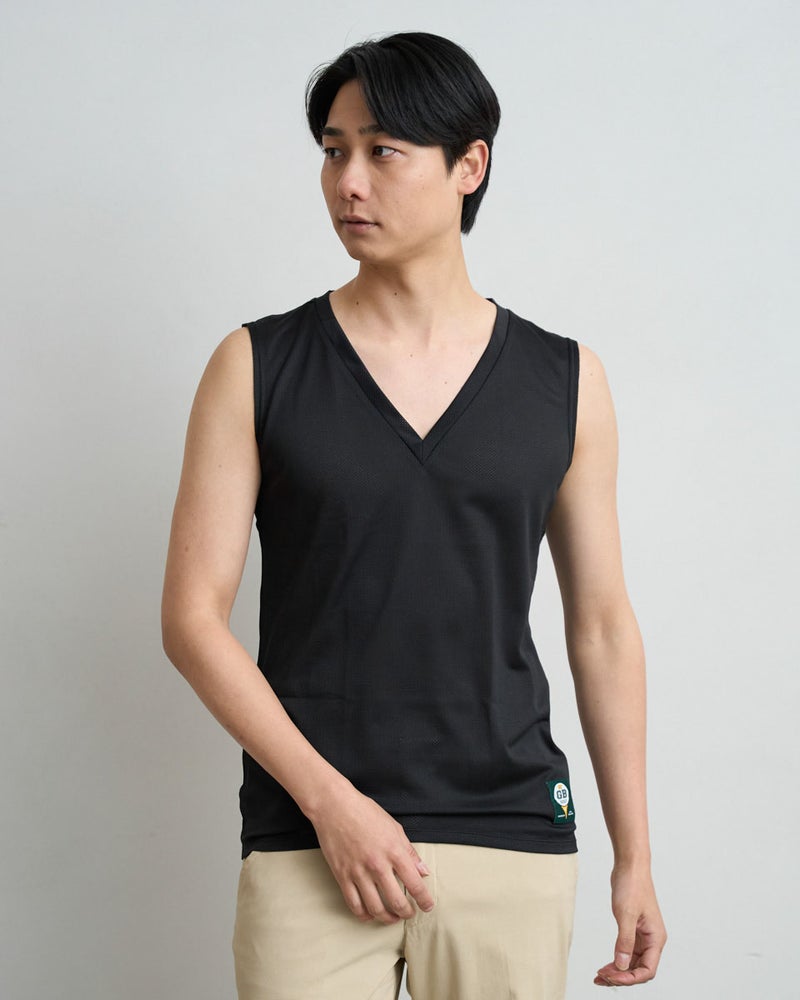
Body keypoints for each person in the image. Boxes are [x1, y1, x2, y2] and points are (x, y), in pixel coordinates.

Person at [161, 30, 666, 999]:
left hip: (509, 832)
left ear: (469, 165)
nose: (347, 182)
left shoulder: (565, 381)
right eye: (333, 151)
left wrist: (633, 854)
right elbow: (190, 619)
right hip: (310, 839)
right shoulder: (256, 366)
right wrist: (330, 803)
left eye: (382, 151)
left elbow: (602, 626)